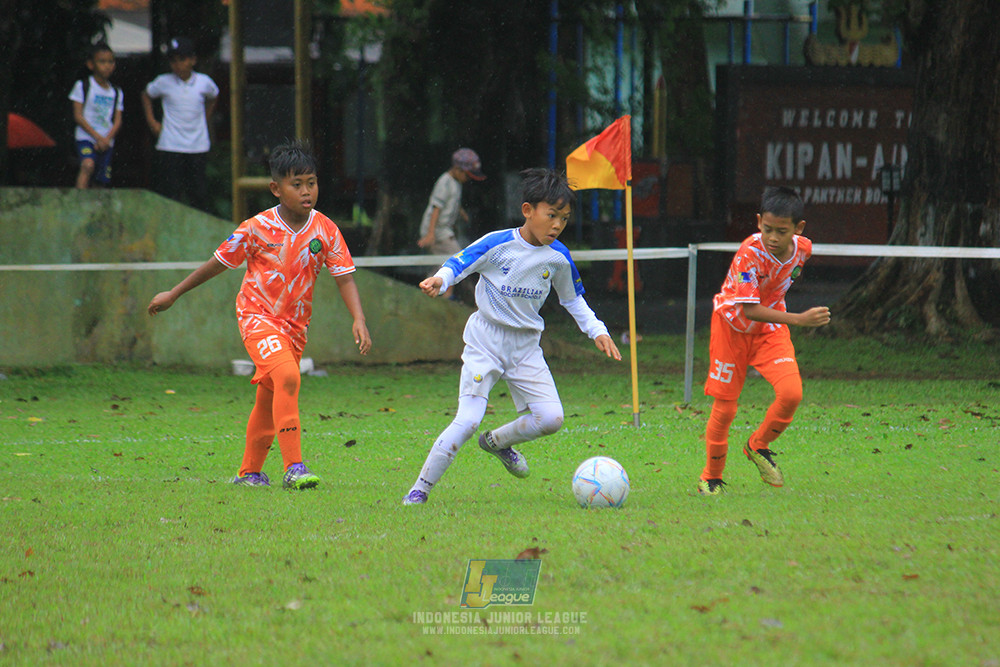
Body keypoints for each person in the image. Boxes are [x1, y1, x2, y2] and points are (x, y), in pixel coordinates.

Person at [147, 141, 372, 489]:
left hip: (295, 328)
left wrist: (358, 318)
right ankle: (294, 467)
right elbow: (217, 264)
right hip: (257, 318)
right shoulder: (255, 228)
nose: (306, 191)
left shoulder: (325, 229)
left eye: (311, 182)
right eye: (296, 184)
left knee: (269, 396)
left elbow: (344, 276)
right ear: (275, 189)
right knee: (288, 378)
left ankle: (249, 473)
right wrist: (174, 294)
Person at [402, 168, 622, 505]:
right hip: (485, 342)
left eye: (564, 218)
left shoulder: (558, 257)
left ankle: (497, 442)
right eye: (552, 215)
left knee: (551, 419)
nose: (557, 225)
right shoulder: (498, 243)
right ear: (527, 210)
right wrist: (441, 280)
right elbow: (461, 261)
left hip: (525, 348)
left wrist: (597, 329)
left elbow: (572, 299)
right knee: (467, 420)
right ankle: (420, 490)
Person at [697, 185, 831, 496]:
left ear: (797, 229)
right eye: (767, 229)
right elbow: (749, 309)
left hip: (769, 330)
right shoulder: (749, 254)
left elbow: (780, 284)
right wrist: (799, 319)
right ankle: (711, 477)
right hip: (732, 329)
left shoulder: (803, 249)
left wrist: (786, 312)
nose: (772, 237)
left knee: (791, 393)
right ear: (758, 222)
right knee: (726, 408)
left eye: (781, 231)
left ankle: (758, 445)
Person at [141, 36, 219, 212]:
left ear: (193, 60)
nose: (178, 65)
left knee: (198, 193)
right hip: (170, 144)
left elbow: (214, 96)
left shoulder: (203, 82)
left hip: (197, 145)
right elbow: (146, 94)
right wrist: (152, 122)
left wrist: (204, 118)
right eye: (173, 60)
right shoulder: (163, 81)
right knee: (170, 193)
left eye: (182, 59)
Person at [416, 148, 485, 299]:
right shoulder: (444, 182)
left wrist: (461, 212)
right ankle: (449, 296)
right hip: (437, 230)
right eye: (467, 175)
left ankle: (428, 294)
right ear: (458, 169)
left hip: (444, 229)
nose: (468, 178)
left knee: (438, 264)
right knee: (457, 258)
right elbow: (436, 207)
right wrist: (430, 234)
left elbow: (452, 201)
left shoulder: (457, 182)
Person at [69, 42, 123, 189]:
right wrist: (97, 137)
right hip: (87, 137)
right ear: (91, 64)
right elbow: (78, 116)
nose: (107, 66)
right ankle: (79, 202)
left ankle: (97, 209)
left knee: (102, 179)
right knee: (88, 165)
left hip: (106, 141)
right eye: (102, 61)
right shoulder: (83, 86)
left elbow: (117, 120)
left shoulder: (116, 92)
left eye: (110, 61)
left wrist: (106, 139)